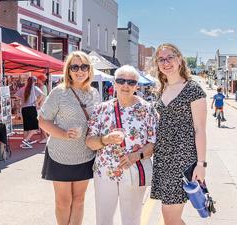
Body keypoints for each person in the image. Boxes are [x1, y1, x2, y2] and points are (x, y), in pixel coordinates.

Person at [86, 65, 158, 225]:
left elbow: (153, 143)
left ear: (137, 86)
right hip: (105, 172)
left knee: (131, 219)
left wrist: (135, 156)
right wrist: (105, 140)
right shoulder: (101, 109)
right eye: (121, 81)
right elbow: (89, 142)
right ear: (114, 83)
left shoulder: (147, 109)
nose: (126, 85)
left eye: (131, 82)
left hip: (133, 170)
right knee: (103, 219)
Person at [38, 51, 100, 225]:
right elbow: (43, 121)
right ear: (69, 70)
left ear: (89, 69)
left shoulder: (94, 93)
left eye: (84, 67)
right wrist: (64, 134)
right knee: (63, 201)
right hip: (60, 154)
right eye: (75, 67)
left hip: (85, 154)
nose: (80, 71)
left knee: (79, 199)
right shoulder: (59, 92)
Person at [150, 43, 207, 225]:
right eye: (161, 59)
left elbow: (200, 129)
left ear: (180, 60)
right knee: (169, 218)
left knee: (170, 217)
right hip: (163, 159)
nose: (166, 63)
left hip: (182, 160)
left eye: (170, 58)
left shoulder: (193, 89)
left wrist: (201, 164)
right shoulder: (161, 89)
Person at [15, 76, 44, 149]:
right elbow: (42, 95)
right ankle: (25, 140)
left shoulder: (23, 88)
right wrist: (36, 102)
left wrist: (22, 100)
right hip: (31, 108)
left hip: (24, 109)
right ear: (34, 81)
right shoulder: (34, 88)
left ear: (27, 81)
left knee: (26, 127)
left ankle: (25, 143)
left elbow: (16, 96)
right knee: (35, 127)